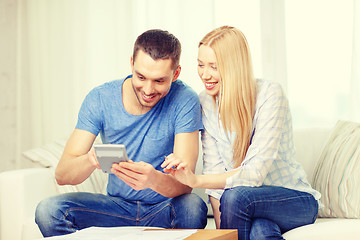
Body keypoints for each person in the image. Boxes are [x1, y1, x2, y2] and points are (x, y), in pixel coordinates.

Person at [35, 29, 208, 237]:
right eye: (141, 77)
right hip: (115, 208)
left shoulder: (185, 100)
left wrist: (153, 180)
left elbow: (185, 186)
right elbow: (62, 175)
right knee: (48, 211)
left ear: (176, 73)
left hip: (162, 208)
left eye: (159, 81)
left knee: (192, 207)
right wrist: (92, 159)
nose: (148, 89)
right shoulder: (100, 98)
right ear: (131, 64)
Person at [162, 26, 321, 240]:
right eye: (200, 65)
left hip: (294, 200)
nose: (204, 74)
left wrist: (195, 180)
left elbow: (253, 174)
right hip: (244, 206)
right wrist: (226, 232)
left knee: (237, 196)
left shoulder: (270, 95)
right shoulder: (206, 102)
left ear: (234, 66)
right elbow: (215, 173)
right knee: (260, 231)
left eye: (214, 67)